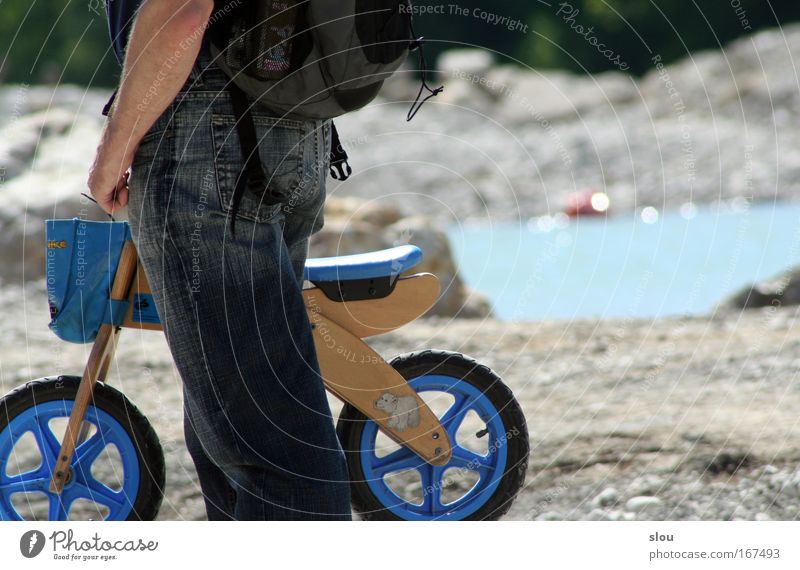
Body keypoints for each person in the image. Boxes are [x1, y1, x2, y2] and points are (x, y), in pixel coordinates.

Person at [88, 0, 352, 520]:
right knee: (236, 424)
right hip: (294, 120)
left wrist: (114, 148)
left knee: (270, 450)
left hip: (207, 133)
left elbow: (183, 12)